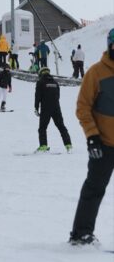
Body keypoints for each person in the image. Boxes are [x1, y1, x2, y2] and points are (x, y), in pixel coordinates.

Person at [69, 28, 114, 246]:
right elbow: (83, 107)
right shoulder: (96, 73)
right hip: (104, 144)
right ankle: (81, 234)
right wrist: (92, 137)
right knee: (94, 188)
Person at [34, 67, 71, 153]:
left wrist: (36, 107)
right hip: (56, 108)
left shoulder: (40, 82)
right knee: (61, 126)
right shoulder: (55, 83)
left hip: (46, 108)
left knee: (42, 128)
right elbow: (58, 96)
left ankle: (43, 146)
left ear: (41, 73)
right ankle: (68, 145)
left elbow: (37, 96)